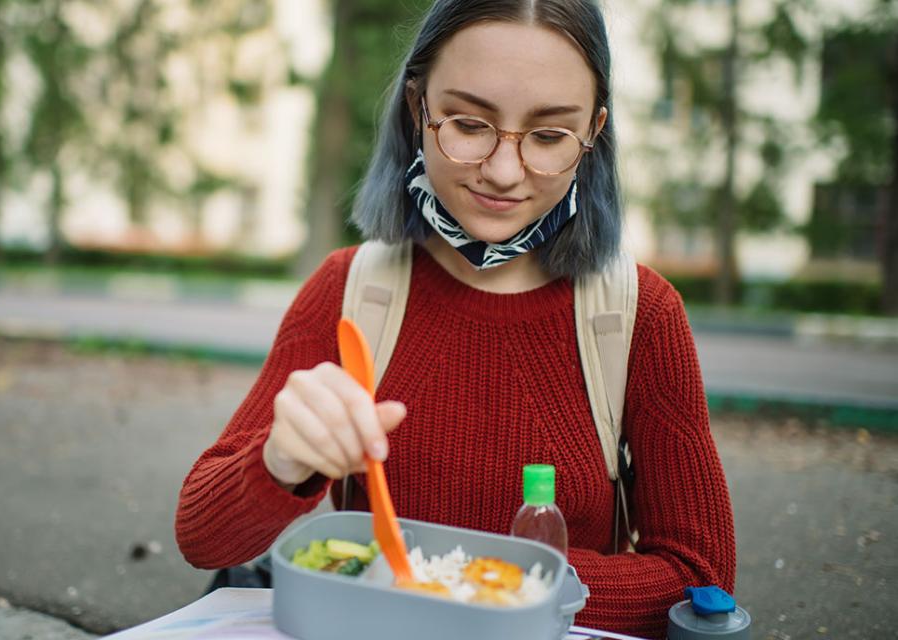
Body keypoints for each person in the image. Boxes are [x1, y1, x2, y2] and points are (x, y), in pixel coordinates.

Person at [175, 0, 735, 636]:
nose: (502, 171)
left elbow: (702, 576)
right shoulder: (349, 291)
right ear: (418, 108)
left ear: (594, 133)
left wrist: (490, 588)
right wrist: (278, 461)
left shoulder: (640, 315)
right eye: (470, 124)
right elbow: (201, 536)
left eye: (550, 137)